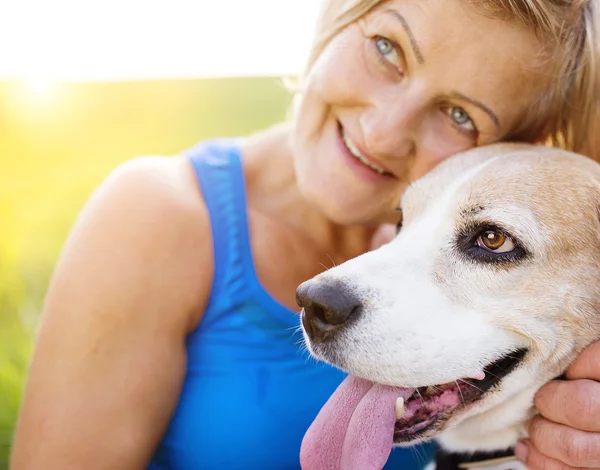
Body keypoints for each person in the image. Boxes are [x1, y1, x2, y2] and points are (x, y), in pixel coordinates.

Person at [10, 0, 600, 469]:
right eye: (387, 48)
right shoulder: (156, 214)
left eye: (461, 114)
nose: (382, 129)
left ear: (515, 145)